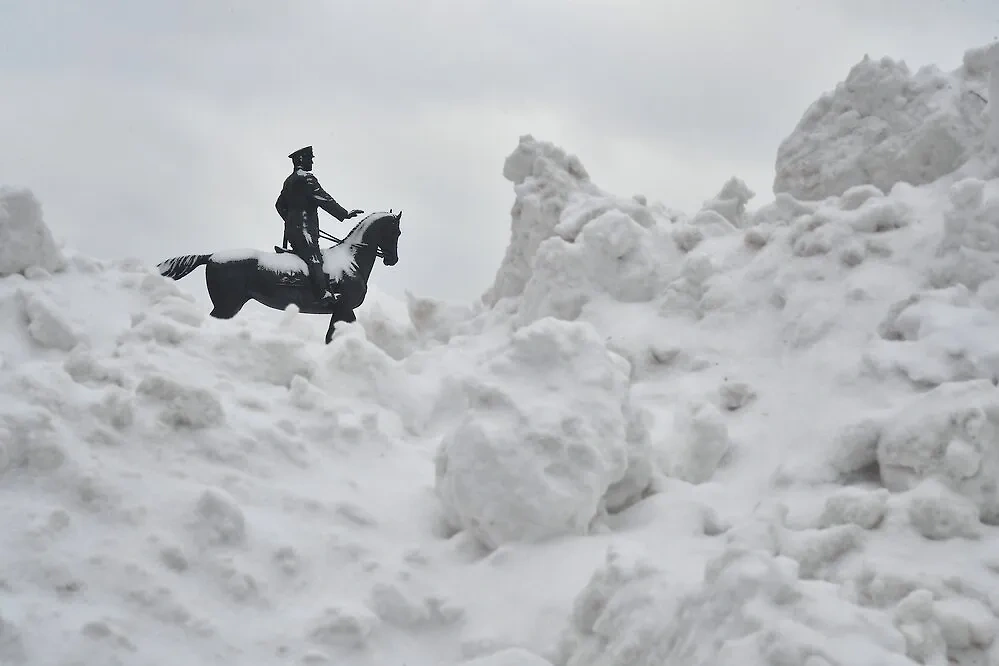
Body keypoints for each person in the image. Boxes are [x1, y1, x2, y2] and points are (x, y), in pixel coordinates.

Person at [275, 145, 363, 299]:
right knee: (315, 258)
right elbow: (324, 199)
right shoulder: (307, 178)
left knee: (308, 257)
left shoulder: (288, 181)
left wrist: (290, 221)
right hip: (305, 231)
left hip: (294, 231)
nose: (312, 163)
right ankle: (323, 294)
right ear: (302, 159)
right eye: (310, 159)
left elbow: (279, 205)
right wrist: (344, 214)